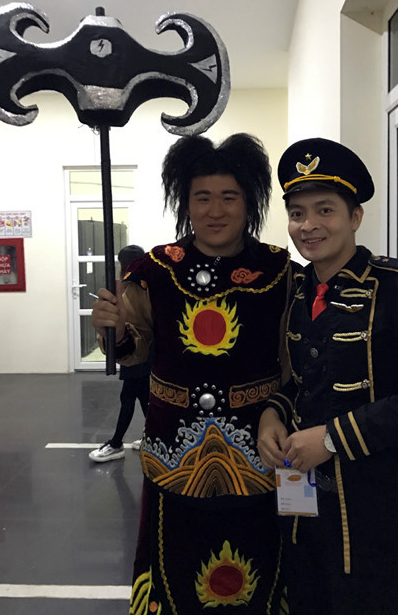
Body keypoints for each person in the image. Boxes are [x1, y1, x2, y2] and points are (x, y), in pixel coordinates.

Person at [91, 133, 294, 614]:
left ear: (249, 203)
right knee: (175, 574)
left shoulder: (278, 271)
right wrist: (113, 333)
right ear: (185, 202)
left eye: (229, 197)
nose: (215, 210)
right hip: (173, 454)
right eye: (202, 197)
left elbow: (294, 362)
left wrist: (281, 410)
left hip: (259, 455)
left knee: (258, 573)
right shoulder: (155, 270)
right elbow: (134, 352)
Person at [258, 137, 398, 615]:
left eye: (325, 210)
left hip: (378, 515)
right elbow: (300, 382)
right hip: (304, 515)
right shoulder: (297, 290)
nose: (308, 225)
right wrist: (273, 414)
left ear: (355, 217)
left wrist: (331, 439)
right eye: (297, 213)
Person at [89, 245, 150, 463]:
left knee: (129, 398)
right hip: (143, 353)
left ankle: (116, 444)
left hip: (137, 353)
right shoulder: (144, 285)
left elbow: (131, 324)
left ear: (122, 265)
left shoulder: (130, 289)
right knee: (143, 397)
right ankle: (151, 437)